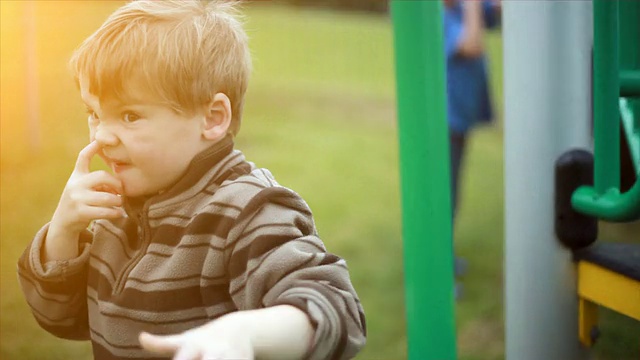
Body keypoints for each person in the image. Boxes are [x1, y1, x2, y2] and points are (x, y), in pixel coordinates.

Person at [17, 1, 366, 359]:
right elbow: (63, 319)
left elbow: (336, 310)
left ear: (213, 118)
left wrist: (243, 332)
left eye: (130, 115)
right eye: (94, 113)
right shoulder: (118, 210)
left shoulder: (247, 210)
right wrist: (62, 232)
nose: (102, 136)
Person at [443, 0, 500, 284]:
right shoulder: (436, 17)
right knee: (441, 200)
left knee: (451, 198)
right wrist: (474, 5)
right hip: (443, 125)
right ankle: (438, 272)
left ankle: (445, 258)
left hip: (458, 122)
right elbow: (472, 44)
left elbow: (500, 11)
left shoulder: (457, 10)